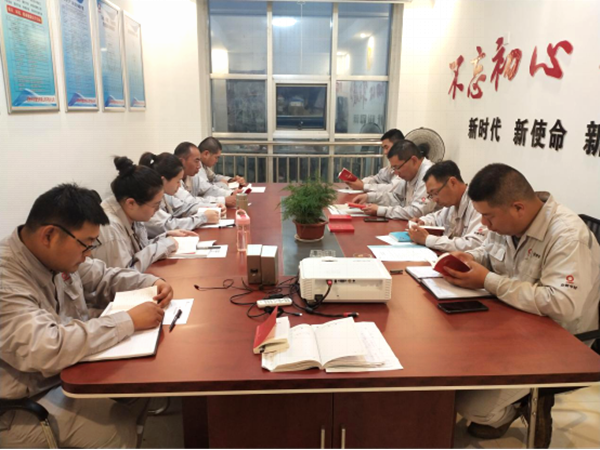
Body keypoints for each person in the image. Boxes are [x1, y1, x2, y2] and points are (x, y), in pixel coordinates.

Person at [0, 184, 174, 448]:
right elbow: (46, 347)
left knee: (138, 389)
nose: (89, 254)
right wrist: (128, 321)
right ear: (49, 235)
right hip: (22, 404)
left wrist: (151, 282)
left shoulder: (53, 256)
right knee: (117, 430)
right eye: (86, 245)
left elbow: (103, 276)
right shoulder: (7, 280)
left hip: (66, 373)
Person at [442, 163, 600, 447]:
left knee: (471, 406)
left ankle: (519, 407)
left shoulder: (566, 235)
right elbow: (490, 254)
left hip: (560, 339)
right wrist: (471, 259)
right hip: (513, 321)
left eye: (488, 217)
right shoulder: (506, 223)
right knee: (448, 366)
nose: (484, 225)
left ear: (518, 208)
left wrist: (488, 280)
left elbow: (562, 304)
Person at [93, 157, 195, 272]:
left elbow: (140, 248)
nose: (158, 210)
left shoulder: (130, 212)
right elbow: (125, 275)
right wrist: (163, 246)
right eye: (155, 205)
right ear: (131, 203)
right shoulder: (110, 228)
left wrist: (165, 236)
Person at [407, 160, 487, 252]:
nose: (434, 200)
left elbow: (473, 244)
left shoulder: (478, 204)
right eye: (431, 195)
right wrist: (423, 221)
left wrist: (427, 239)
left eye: (435, 193)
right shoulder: (452, 204)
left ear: (452, 182)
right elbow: (436, 218)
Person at [139, 152, 221, 239]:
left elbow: (184, 207)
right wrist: (202, 218)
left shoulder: (165, 195)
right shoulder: (148, 199)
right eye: (178, 181)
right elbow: (168, 225)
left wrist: (214, 207)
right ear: (163, 180)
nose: (179, 186)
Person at [352, 139, 437, 219]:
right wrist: (369, 197)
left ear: (413, 160)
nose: (396, 173)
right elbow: (396, 197)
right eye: (394, 168)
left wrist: (381, 211)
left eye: (397, 167)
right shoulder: (408, 174)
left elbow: (417, 212)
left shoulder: (429, 174)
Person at [174, 141, 241, 208]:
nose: (199, 166)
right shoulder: (173, 180)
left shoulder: (193, 176)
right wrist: (223, 200)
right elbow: (190, 202)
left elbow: (209, 188)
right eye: (196, 161)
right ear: (182, 162)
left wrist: (231, 193)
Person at [344, 128, 404, 193]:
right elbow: (376, 179)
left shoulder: (405, 170)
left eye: (386, 147)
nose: (385, 152)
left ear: (398, 146)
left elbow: (392, 189)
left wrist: (363, 186)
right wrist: (358, 182)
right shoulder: (388, 170)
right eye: (383, 148)